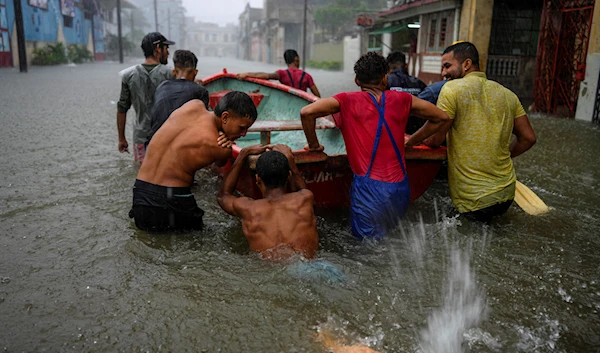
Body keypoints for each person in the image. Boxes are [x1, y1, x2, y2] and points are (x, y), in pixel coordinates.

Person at [300, 52, 449, 239]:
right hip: (400, 189)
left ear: (356, 80)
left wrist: (314, 145)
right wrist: (412, 142)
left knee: (368, 251)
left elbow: (307, 112)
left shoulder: (346, 100)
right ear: (385, 78)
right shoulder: (403, 99)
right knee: (390, 241)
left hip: (369, 191)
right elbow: (442, 117)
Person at [421, 41, 537, 222]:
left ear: (466, 64)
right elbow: (528, 138)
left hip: (473, 197)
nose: (443, 73)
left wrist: (416, 141)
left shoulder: (451, 90)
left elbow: (436, 139)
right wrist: (500, 156)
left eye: (447, 66)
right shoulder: (508, 94)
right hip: (506, 192)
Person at [129, 91, 258, 231]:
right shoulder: (219, 147)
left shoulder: (193, 105)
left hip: (140, 194)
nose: (244, 134)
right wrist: (232, 146)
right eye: (242, 128)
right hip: (172, 200)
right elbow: (221, 163)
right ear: (225, 117)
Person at [217, 144, 318, 261]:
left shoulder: (247, 208)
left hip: (271, 270)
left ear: (257, 179)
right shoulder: (305, 198)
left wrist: (243, 154)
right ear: (289, 176)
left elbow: (223, 196)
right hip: (310, 267)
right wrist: (291, 161)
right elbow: (302, 190)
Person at [116, 32, 175, 163]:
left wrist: (121, 138)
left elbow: (122, 108)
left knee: (142, 175)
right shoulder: (170, 74)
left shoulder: (128, 75)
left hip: (140, 138)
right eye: (166, 48)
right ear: (158, 49)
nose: (168, 53)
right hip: (166, 137)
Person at [145, 49, 209, 146]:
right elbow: (203, 125)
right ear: (195, 72)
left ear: (174, 72)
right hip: (181, 148)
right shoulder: (201, 91)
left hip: (153, 145)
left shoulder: (161, 87)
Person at [236, 49, 321, 97]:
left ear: (286, 61)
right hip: (304, 105)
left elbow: (266, 76)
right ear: (297, 59)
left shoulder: (282, 74)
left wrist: (247, 74)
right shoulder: (307, 76)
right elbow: (317, 96)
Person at [386, 51, 430, 135]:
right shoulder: (419, 83)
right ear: (406, 66)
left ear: (387, 68)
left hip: (393, 132)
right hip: (416, 135)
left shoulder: (385, 83)